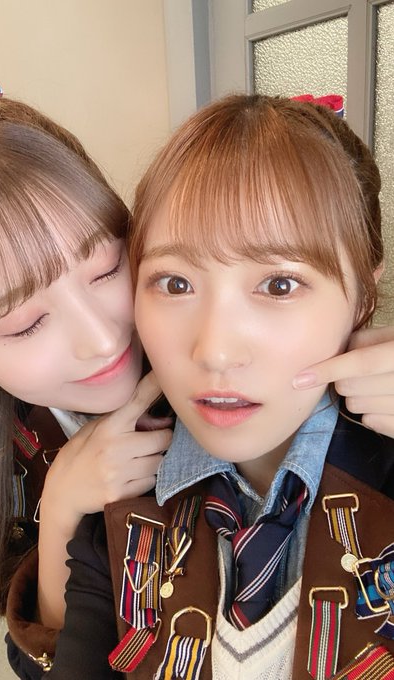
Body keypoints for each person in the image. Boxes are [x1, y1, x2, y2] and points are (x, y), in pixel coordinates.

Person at [0, 80, 394, 678]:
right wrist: (61, 514)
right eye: (24, 324)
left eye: (106, 270)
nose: (103, 342)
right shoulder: (34, 484)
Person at [43, 94, 394, 679]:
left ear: (362, 296)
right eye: (174, 283)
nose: (215, 351)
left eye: (279, 285)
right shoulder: (122, 499)